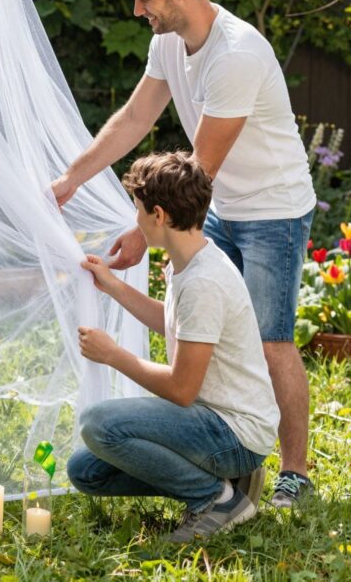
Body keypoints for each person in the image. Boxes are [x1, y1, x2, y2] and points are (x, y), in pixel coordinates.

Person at [51, 0, 316, 507]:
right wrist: (72, 178)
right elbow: (133, 120)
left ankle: (293, 472)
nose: (136, 8)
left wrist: (142, 229)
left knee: (271, 340)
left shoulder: (236, 53)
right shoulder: (169, 43)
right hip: (216, 203)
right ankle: (215, 449)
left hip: (272, 206)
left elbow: (201, 169)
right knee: (187, 318)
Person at [69, 152, 279, 542]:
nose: (137, 220)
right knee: (85, 470)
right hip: (213, 421)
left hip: (232, 430)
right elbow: (172, 321)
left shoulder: (204, 282)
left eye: (138, 211)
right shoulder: (188, 261)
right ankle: (231, 481)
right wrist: (113, 285)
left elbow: (182, 390)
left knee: (98, 424)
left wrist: (113, 355)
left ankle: (216, 498)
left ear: (159, 215)